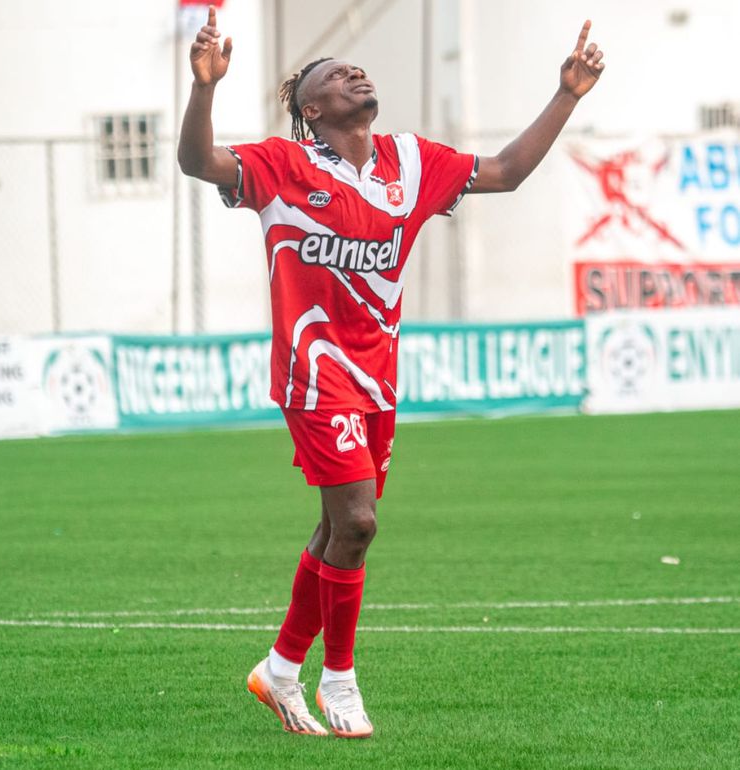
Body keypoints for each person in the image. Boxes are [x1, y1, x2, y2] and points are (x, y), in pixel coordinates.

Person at [178, 5, 604, 739]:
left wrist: (567, 93)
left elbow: (503, 172)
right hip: (314, 374)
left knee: (335, 531)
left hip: (377, 379)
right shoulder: (283, 165)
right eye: (335, 74)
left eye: (357, 69)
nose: (354, 72)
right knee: (360, 523)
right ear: (312, 110)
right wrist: (206, 89)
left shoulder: (412, 162)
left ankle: (280, 670)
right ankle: (338, 680)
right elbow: (198, 163)